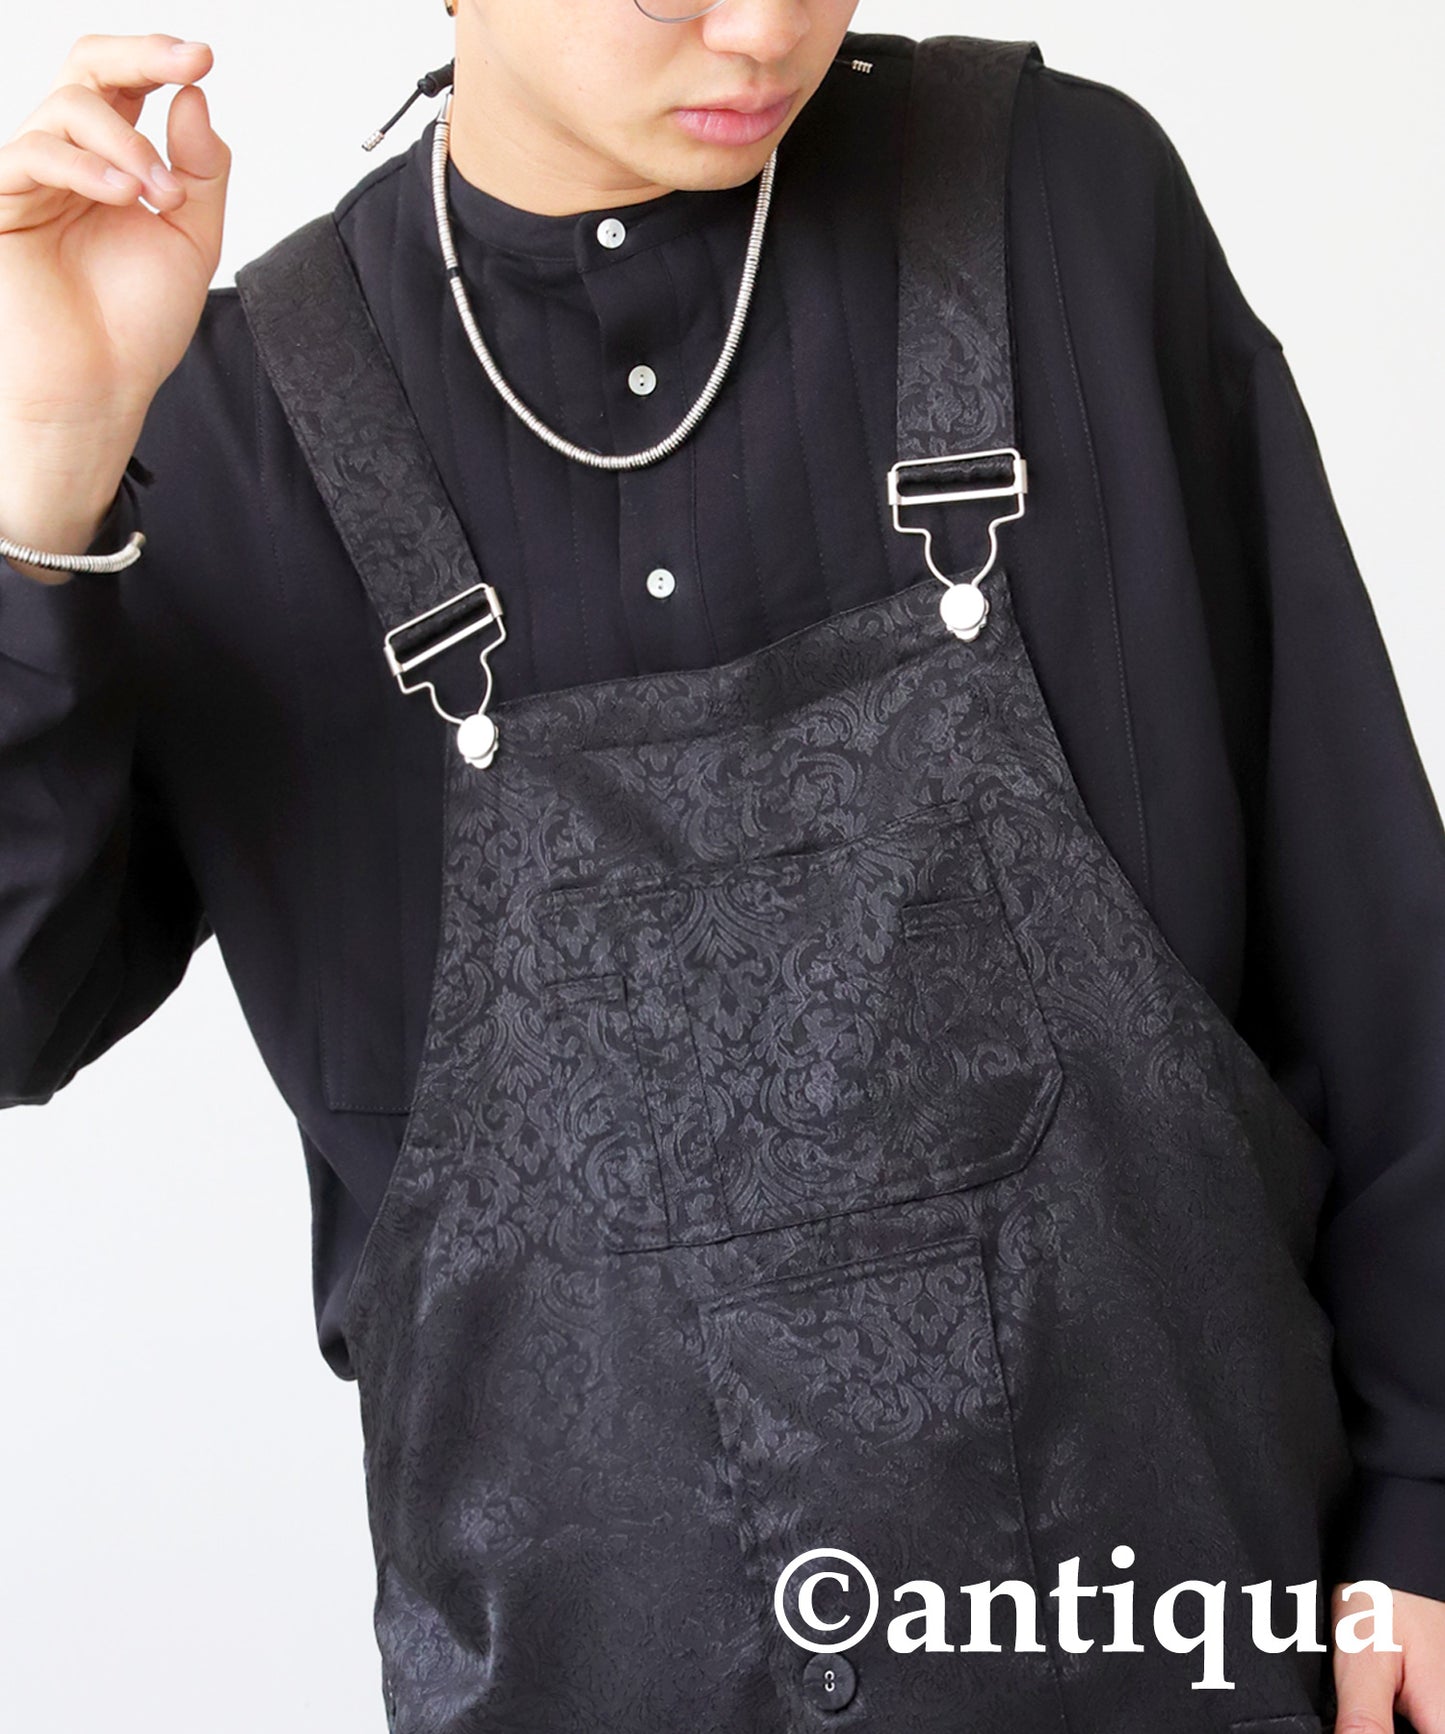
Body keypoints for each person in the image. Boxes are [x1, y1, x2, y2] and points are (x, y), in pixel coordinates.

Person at [0, 4, 1442, 1728]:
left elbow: (1373, 933)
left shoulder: (1063, 205)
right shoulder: (225, 418)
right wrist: (43, 481)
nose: (761, 27)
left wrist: (1424, 1504)